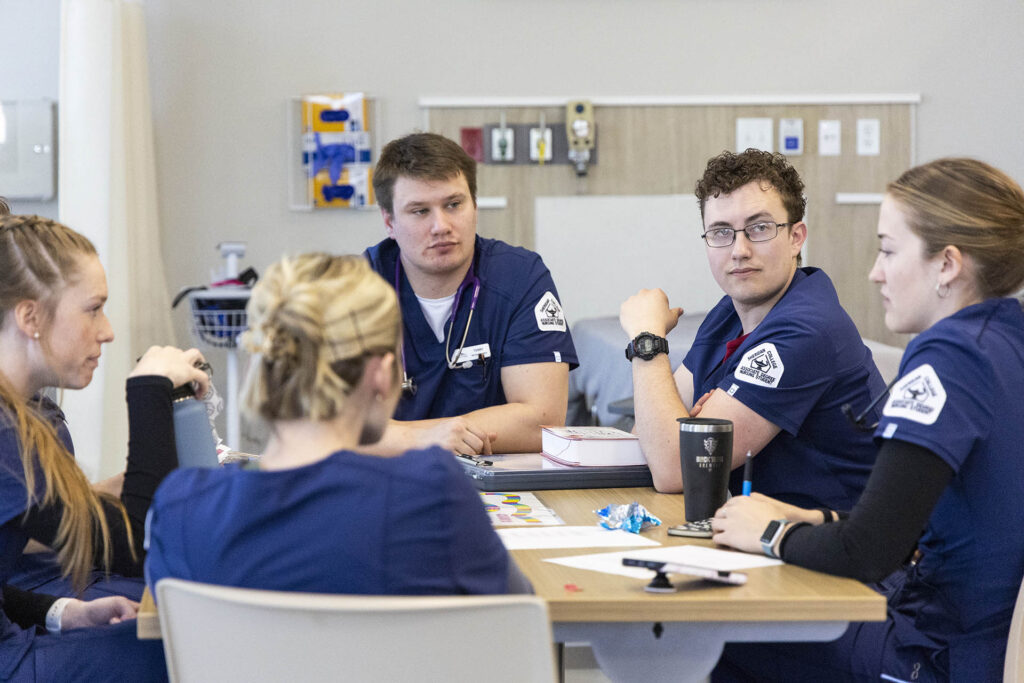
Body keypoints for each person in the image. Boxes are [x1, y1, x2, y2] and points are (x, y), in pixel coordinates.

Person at [711, 158, 1024, 682]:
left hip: (932, 653)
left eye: (887, 250)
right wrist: (810, 521)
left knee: (716, 630)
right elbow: (917, 527)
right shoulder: (1007, 339)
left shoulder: (948, 360)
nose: (875, 272)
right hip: (983, 639)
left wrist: (768, 534)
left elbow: (871, 551)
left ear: (947, 264)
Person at [146, 254, 526, 597]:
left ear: (262, 365)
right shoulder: (434, 494)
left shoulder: (181, 508)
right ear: (380, 374)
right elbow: (513, 621)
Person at [0, 213, 209, 681]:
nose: (108, 330)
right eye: (93, 308)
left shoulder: (16, 419)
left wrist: (64, 614)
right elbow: (136, 543)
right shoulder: (6, 433)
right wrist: (149, 390)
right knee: (187, 651)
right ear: (30, 317)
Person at [619, 150, 884, 509]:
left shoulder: (807, 329)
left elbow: (673, 468)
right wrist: (675, 432)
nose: (739, 250)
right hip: (761, 533)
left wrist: (647, 338)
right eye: (721, 232)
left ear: (796, 237)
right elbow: (648, 438)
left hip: (833, 551)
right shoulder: (730, 311)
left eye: (759, 228)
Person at [363, 132, 578, 456]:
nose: (441, 226)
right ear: (389, 222)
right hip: (386, 479)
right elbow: (330, 428)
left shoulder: (520, 277)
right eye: (420, 211)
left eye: (453, 204)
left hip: (495, 481)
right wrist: (425, 439)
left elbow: (541, 422)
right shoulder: (356, 288)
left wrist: (401, 436)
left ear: (475, 205)